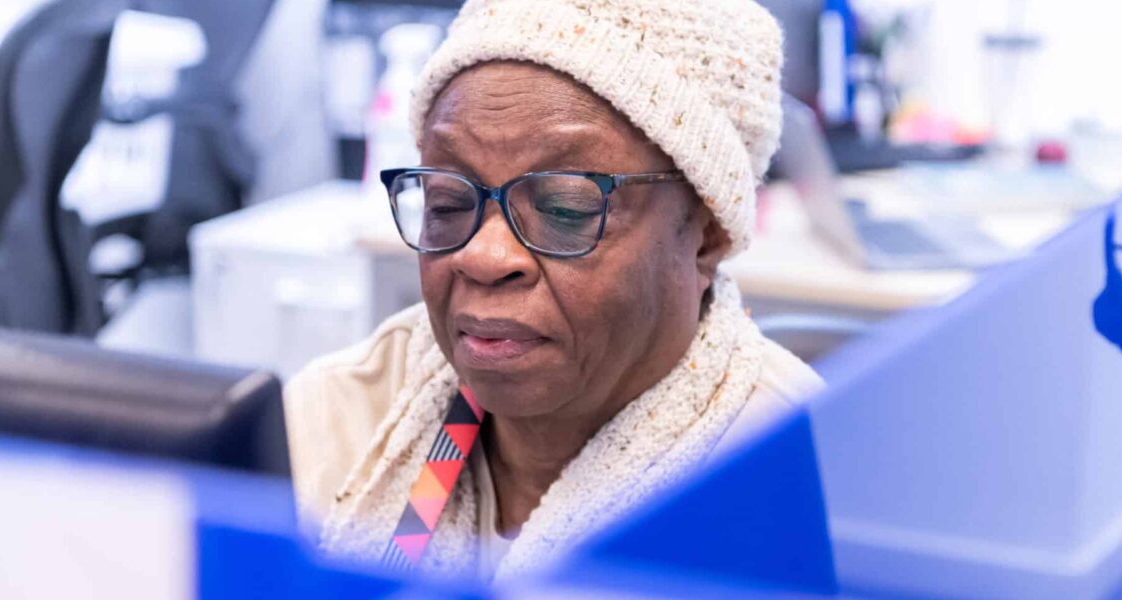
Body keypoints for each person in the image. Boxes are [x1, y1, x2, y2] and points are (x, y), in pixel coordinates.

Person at [283, 0, 819, 581]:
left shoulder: (794, 486)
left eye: (566, 209)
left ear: (707, 234)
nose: (483, 256)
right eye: (448, 201)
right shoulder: (342, 423)